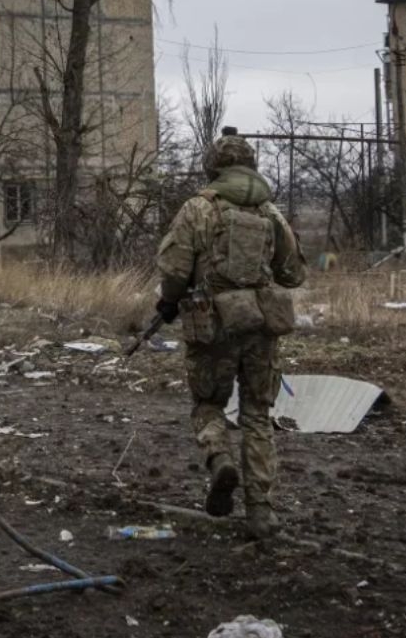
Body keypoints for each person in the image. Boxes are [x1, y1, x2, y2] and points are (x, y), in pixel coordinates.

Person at [154, 127, 307, 539]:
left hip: (213, 325)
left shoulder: (197, 209)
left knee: (207, 403)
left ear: (213, 169)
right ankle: (262, 511)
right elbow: (293, 274)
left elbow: (172, 270)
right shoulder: (269, 212)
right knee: (258, 415)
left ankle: (219, 457)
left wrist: (168, 301)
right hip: (260, 325)